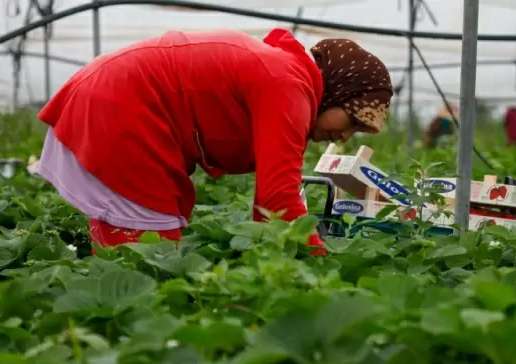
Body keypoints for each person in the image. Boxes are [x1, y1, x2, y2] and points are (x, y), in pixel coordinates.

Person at [36, 28, 393, 254]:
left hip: (114, 98)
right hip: (122, 108)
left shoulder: (287, 77)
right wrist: (320, 264)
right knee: (150, 258)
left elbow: (268, 211)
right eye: (353, 119)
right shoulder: (288, 87)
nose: (346, 135)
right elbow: (277, 201)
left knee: (145, 240)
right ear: (338, 91)